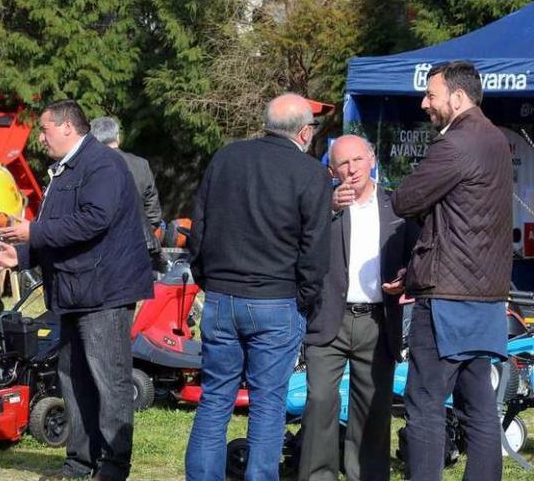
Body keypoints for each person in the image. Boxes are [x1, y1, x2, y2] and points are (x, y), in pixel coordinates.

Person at [0, 100, 152, 481]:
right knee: (73, 377)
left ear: (66, 127)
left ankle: (112, 466)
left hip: (104, 292)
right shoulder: (70, 167)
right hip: (76, 289)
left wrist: (34, 234)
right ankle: (79, 462)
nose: (39, 138)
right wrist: (23, 254)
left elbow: (95, 220)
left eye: (44, 130)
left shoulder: (102, 165)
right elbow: (62, 227)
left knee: (108, 380)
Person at [185, 93, 332, 481]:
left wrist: (207, 280)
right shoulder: (311, 173)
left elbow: (197, 227)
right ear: (304, 132)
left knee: (215, 399)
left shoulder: (226, 159)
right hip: (276, 299)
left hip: (223, 296)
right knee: (268, 405)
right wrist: (304, 298)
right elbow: (315, 248)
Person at [392, 61, 512, 481]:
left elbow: (405, 200)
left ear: (457, 99)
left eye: (431, 95)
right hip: (487, 297)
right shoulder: (495, 139)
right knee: (478, 406)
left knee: (424, 404)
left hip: (447, 298)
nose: (425, 103)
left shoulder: (456, 144)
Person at [297, 135, 415, 481]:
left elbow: (415, 252)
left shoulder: (396, 206)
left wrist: (408, 276)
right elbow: (299, 245)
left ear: (372, 158)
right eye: (343, 164)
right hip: (328, 317)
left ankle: (367, 475)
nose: (352, 170)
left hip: (377, 321)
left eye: (358, 160)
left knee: (374, 408)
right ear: (332, 169)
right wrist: (329, 208)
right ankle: (318, 475)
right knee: (319, 402)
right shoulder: (322, 205)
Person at [89, 116, 163, 259]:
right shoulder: (141, 164)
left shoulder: (91, 166)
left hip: (103, 250)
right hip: (138, 246)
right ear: (117, 137)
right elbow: (153, 213)